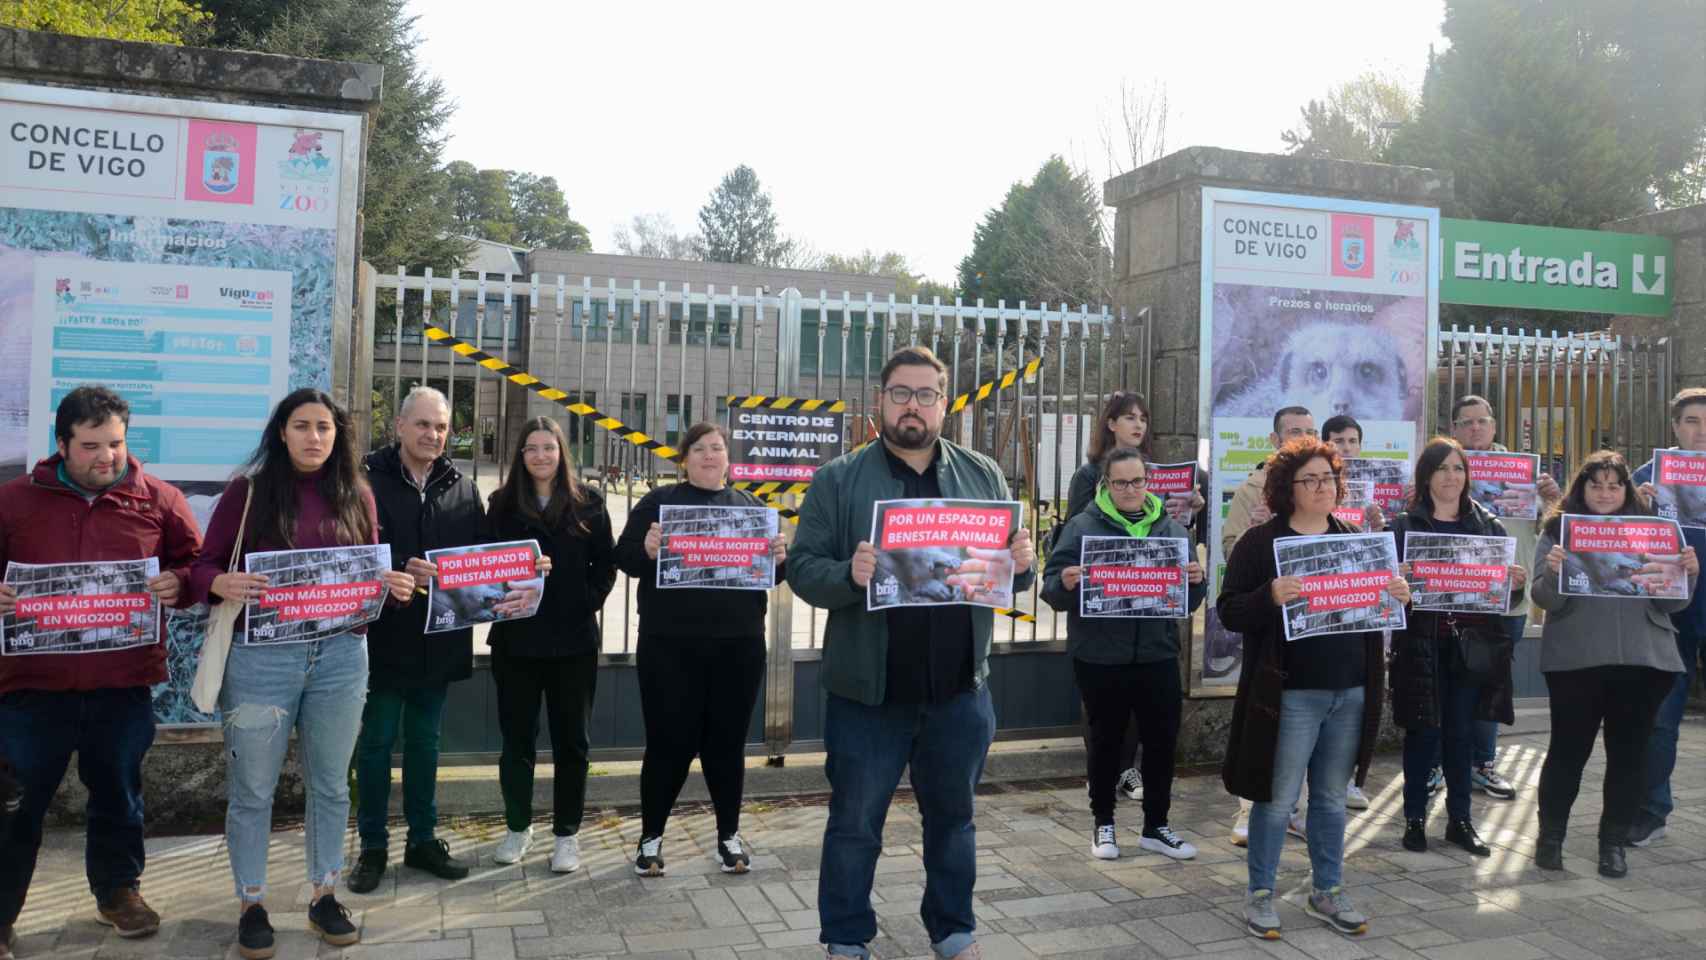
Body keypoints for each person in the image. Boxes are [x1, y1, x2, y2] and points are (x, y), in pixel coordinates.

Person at [788, 346, 1035, 960]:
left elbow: (1002, 574)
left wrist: (1023, 567)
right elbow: (802, 569)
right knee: (853, 828)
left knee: (954, 824)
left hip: (958, 691)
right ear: (880, 399)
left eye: (926, 395)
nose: (913, 407)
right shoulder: (838, 480)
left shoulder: (983, 476)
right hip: (868, 697)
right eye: (901, 393)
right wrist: (850, 573)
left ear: (944, 404)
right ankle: (845, 937)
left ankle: (953, 929)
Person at [188, 389, 415, 958]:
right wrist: (221, 583)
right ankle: (252, 902)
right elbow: (203, 565)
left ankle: (324, 893)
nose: (314, 437)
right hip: (262, 660)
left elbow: (368, 569)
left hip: (340, 657)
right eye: (302, 426)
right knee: (253, 789)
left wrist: (391, 588)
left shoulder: (357, 494)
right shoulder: (249, 493)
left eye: (324, 427)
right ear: (281, 432)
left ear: (338, 435)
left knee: (331, 783)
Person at [0, 386, 203, 953]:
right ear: (62, 444)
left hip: (122, 684)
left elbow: (197, 565)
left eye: (114, 443)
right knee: (15, 806)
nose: (105, 457)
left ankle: (118, 892)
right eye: (90, 445)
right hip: (31, 690)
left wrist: (180, 584)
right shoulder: (13, 501)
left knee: (118, 794)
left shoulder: (159, 500)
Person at [1218, 436, 1408, 941]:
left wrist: (1395, 595)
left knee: (1328, 799)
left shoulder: (1354, 540)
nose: (1323, 487)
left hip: (1350, 691)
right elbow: (1229, 610)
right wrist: (1268, 596)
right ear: (1288, 488)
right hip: (1291, 694)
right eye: (1311, 479)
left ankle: (1327, 888)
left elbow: (1373, 613)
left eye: (1329, 478)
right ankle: (1260, 894)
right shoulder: (1262, 544)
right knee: (1277, 800)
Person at [350, 387, 523, 892]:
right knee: (378, 743)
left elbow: (483, 559)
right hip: (383, 634)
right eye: (423, 424)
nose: (432, 435)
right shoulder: (365, 481)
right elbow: (348, 551)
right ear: (400, 426)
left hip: (440, 638)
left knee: (426, 744)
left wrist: (525, 565)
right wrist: (398, 569)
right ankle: (373, 846)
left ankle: (423, 840)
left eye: (441, 427)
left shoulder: (462, 487)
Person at [614, 422, 786, 876]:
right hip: (669, 648)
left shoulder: (751, 508)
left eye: (718, 448)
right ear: (684, 458)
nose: (710, 455)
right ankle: (650, 839)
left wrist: (779, 559)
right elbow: (624, 557)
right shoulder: (658, 503)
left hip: (739, 647)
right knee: (668, 745)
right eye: (700, 449)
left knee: (727, 745)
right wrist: (648, 549)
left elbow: (770, 576)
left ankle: (728, 836)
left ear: (729, 458)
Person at [1529, 450, 1697, 878]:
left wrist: (1687, 573)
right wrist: (1554, 571)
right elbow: (1545, 600)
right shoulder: (1558, 530)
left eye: (1614, 484)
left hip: (1644, 663)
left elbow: (1673, 603)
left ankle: (1612, 844)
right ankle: (1550, 838)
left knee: (1628, 757)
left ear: (1627, 490)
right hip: (1577, 661)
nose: (1605, 493)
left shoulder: (1658, 533)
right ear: (1581, 488)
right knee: (1568, 751)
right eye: (1595, 484)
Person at [1041, 448, 1205, 861]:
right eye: (1120, 483)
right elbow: (1051, 590)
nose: (1130, 490)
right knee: (1105, 743)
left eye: (1137, 482)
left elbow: (1188, 602)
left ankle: (1157, 826)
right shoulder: (1082, 527)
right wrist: (1065, 580)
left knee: (1162, 742)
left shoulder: (1171, 530)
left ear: (1148, 483)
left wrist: (1197, 581)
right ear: (1106, 485)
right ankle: (1104, 824)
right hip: (1099, 656)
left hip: (1157, 653)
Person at [485, 418, 615, 873]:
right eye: (531, 449)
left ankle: (567, 835)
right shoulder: (500, 505)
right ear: (520, 455)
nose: (541, 456)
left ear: (562, 453)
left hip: (573, 644)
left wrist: (581, 601)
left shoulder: (590, 504)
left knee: (571, 743)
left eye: (549, 448)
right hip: (516, 643)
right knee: (516, 741)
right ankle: (518, 827)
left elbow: (606, 568)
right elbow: (484, 568)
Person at [1387, 438, 1527, 856]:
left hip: (1470, 648)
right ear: (1426, 475)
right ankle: (1414, 818)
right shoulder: (1403, 525)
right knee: (1421, 733)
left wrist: (1513, 585)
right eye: (1443, 468)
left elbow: (1504, 599)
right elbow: (1385, 591)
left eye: (1459, 469)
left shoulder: (1488, 524)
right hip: (1421, 645)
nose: (1451, 477)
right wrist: (1398, 580)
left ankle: (1460, 821)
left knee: (1461, 736)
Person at [1063, 392, 1203, 805]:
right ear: (1110, 423)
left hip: (1150, 611)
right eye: (1128, 417)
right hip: (1105, 615)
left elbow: (1173, 534)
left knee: (1149, 709)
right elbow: (1073, 532)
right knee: (1105, 712)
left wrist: (1190, 507)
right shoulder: (1089, 475)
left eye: (1143, 417)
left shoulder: (1158, 473)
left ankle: (1129, 773)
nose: (1138, 425)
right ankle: (1103, 778)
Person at [1443, 395, 1560, 803]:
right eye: (1466, 422)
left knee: (1492, 685)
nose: (1475, 428)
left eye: (1482, 421)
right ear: (1454, 428)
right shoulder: (1443, 470)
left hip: (1507, 595)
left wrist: (1551, 499)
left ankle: (1482, 763)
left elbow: (1553, 529)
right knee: (1448, 681)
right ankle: (1444, 764)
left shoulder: (1524, 473)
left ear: (1494, 426)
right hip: (1453, 594)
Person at [1223, 407, 1315, 847]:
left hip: (1317, 626)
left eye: (1310, 431)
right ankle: (1248, 812)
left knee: (1308, 726)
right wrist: (1255, 533)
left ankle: (1296, 811)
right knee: (1264, 720)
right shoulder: (1251, 490)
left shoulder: (1329, 487)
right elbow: (1230, 552)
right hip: (1270, 623)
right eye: (1294, 432)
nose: (1302, 438)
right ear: (1275, 441)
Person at [1629, 387, 1706, 846]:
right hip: (1669, 613)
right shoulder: (1645, 476)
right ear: (1675, 427)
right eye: (1692, 421)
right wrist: (1635, 506)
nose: (1701, 430)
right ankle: (1652, 811)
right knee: (1661, 717)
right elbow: (1612, 540)